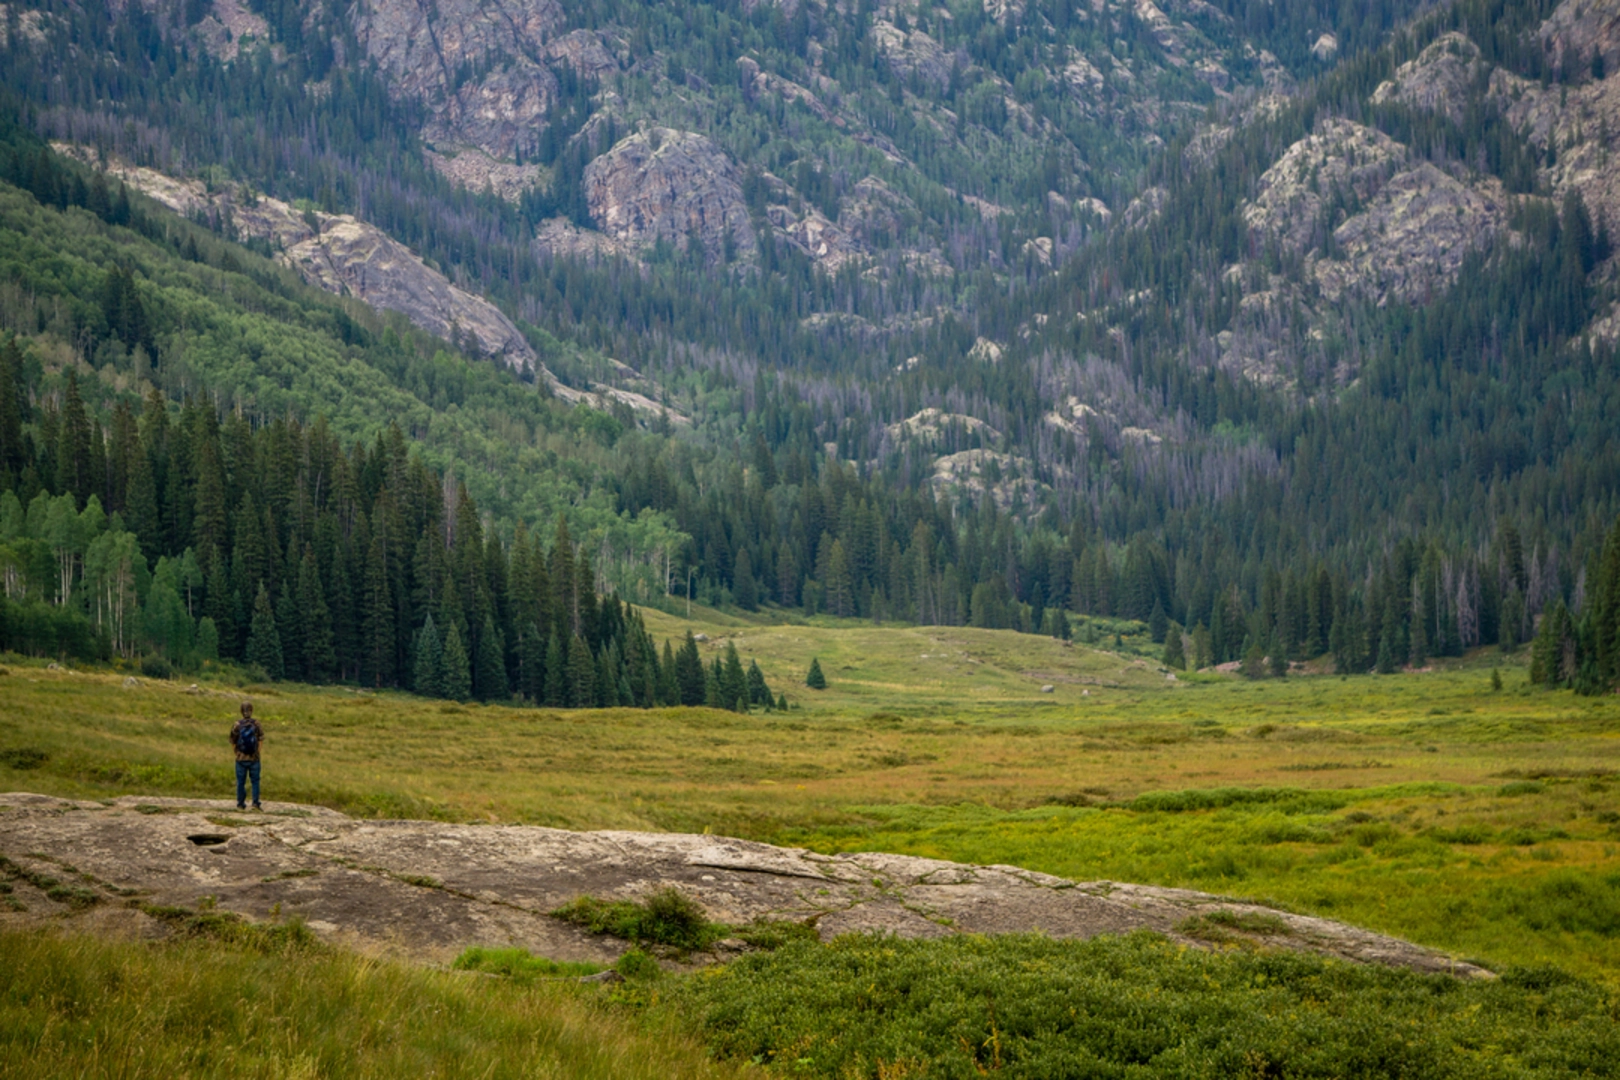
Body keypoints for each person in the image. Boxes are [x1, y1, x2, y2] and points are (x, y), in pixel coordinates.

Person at [229, 701, 264, 811]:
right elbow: (260, 740)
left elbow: (232, 741)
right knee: (255, 781)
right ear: (251, 710)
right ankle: (255, 803)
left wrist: (237, 753)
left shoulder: (237, 725)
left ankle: (240, 803)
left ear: (241, 711)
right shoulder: (257, 724)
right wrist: (257, 752)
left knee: (240, 782)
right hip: (254, 759)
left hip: (241, 759)